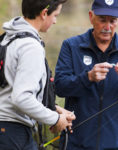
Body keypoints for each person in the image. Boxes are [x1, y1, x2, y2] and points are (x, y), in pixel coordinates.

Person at [54, 0, 118, 149]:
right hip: (76, 145)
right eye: (102, 20)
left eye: (113, 21)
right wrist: (88, 78)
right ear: (91, 16)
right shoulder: (71, 46)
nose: (107, 27)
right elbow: (59, 87)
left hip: (116, 145)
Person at [0, 0, 75, 150]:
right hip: (12, 133)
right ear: (44, 13)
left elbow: (10, 87)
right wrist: (55, 119)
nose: (55, 21)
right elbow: (21, 98)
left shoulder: (8, 37)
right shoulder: (30, 46)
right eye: (55, 15)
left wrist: (53, 108)